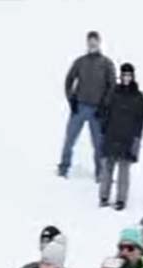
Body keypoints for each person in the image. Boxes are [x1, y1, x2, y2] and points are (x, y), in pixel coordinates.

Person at [58, 31, 114, 180]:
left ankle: (100, 173)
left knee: (99, 145)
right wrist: (72, 100)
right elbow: (69, 80)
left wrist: (104, 106)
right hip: (80, 107)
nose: (92, 44)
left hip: (97, 110)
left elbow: (112, 86)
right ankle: (63, 167)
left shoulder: (106, 63)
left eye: (95, 41)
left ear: (99, 42)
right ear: (87, 43)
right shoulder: (80, 62)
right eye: (90, 41)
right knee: (70, 139)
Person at [97, 63, 143, 211]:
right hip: (111, 135)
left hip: (128, 138)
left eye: (129, 74)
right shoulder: (113, 92)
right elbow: (105, 111)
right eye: (124, 74)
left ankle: (121, 200)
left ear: (133, 76)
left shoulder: (138, 96)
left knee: (124, 171)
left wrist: (136, 140)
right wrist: (103, 129)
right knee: (107, 169)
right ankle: (104, 197)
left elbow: (140, 120)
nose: (126, 77)